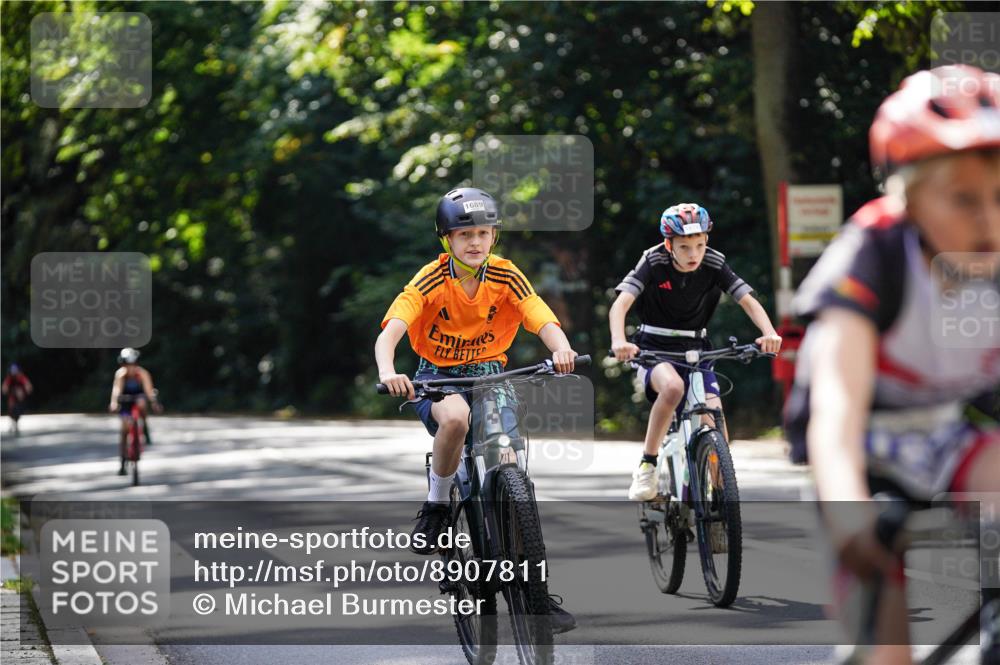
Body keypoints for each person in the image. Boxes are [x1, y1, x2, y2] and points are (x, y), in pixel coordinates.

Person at [785, 65, 1000, 665]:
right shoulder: (875, 254)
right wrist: (850, 512)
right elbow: (836, 411)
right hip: (863, 448)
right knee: (884, 648)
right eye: (962, 198)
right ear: (904, 197)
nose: (988, 220)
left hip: (947, 431)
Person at [374, 186, 580, 632]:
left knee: (508, 462)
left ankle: (536, 593)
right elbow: (391, 331)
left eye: (484, 232)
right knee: (456, 419)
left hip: (491, 374)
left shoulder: (506, 275)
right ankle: (435, 505)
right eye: (464, 233)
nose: (475, 241)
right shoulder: (431, 279)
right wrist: (389, 370)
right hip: (438, 375)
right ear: (446, 238)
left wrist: (561, 348)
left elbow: (540, 317)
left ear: (494, 236)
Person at [609, 203, 782, 501]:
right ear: (669, 244)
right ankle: (647, 465)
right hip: (654, 346)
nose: (694, 254)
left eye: (700, 245)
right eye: (685, 247)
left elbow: (748, 300)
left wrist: (769, 332)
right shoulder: (653, 260)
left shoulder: (714, 262)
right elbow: (620, 304)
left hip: (697, 348)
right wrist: (618, 341)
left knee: (713, 414)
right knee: (674, 388)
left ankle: (721, 503)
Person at [108, 347, 161, 475]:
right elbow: (116, 390)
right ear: (123, 364)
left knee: (141, 402)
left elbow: (149, 390)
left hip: (138, 398)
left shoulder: (142, 373)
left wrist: (154, 403)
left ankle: (145, 428)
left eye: (133, 364)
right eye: (127, 364)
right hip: (125, 400)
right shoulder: (120, 375)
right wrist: (114, 403)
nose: (130, 368)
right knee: (124, 429)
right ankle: (122, 462)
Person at [2, 363, 33, 435]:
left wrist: (27, 389)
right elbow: (5, 386)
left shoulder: (21, 377)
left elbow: (27, 384)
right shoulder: (9, 378)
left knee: (19, 405)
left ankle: (16, 420)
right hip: (12, 396)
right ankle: (12, 420)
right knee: (11, 407)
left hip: (20, 396)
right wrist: (5, 390)